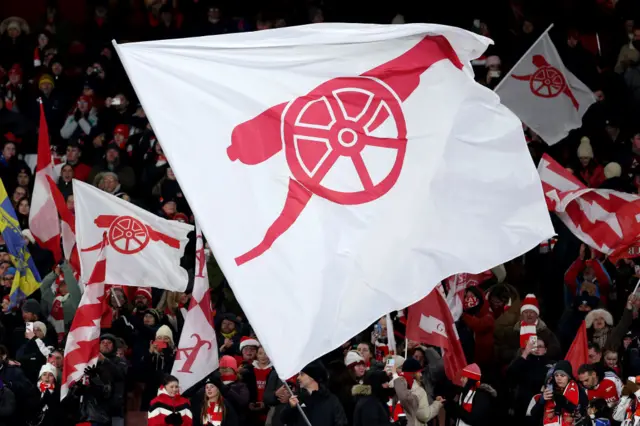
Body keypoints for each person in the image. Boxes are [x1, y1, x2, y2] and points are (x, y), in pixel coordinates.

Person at [280, 360, 348, 426]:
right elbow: (284, 420)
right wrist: (290, 407)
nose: (298, 377)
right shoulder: (297, 399)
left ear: (312, 376)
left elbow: (341, 422)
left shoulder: (331, 400)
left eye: (302, 374)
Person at [530, 360, 589, 426]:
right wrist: (542, 400)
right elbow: (533, 414)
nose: (559, 378)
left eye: (562, 375)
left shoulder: (578, 390)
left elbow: (584, 414)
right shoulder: (549, 390)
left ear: (568, 377)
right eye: (556, 375)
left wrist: (566, 403)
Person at [391, 357, 444, 425]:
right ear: (413, 373)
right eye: (419, 372)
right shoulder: (419, 391)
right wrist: (437, 404)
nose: (421, 375)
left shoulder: (395, 387)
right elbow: (424, 416)